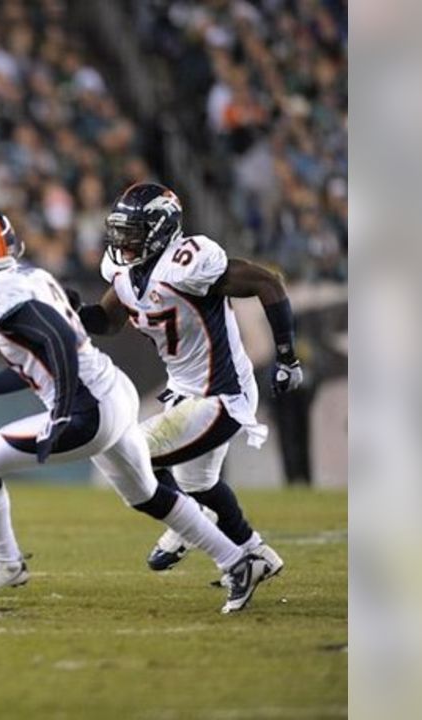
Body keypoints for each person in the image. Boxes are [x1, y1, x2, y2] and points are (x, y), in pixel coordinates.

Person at [0, 205, 274, 613]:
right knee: (146, 493)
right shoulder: (30, 277)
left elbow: (57, 338)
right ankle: (238, 561)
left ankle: (5, 561)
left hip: (87, 410)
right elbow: (39, 365)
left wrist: (60, 412)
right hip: (114, 392)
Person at [75, 182, 301, 577]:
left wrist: (287, 357)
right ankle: (256, 552)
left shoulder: (188, 262)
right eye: (121, 230)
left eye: (135, 230)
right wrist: (69, 313)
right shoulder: (126, 273)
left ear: (162, 228)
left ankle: (189, 524)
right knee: (200, 483)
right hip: (185, 393)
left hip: (221, 393)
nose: (124, 240)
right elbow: (107, 320)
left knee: (131, 453)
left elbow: (268, 283)